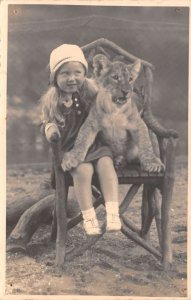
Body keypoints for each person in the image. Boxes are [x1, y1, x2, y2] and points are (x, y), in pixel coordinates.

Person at [40, 44, 121, 235]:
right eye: (65, 74)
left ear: (84, 73)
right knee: (83, 171)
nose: (72, 78)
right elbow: (46, 122)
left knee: (106, 165)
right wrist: (50, 130)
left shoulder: (91, 91)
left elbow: (107, 107)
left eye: (78, 72)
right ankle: (89, 217)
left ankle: (112, 212)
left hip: (95, 144)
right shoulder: (52, 99)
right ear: (54, 77)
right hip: (70, 150)